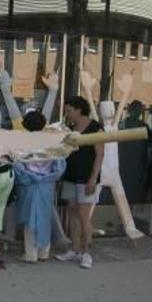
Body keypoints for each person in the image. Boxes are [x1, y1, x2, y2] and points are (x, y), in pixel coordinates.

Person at [56, 96, 104, 269]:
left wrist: (93, 178)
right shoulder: (71, 128)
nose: (67, 114)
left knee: (84, 215)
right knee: (72, 212)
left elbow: (100, 154)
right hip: (71, 175)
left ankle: (87, 252)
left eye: (69, 111)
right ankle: (74, 249)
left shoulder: (95, 128)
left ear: (79, 109)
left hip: (86, 177)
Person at [14, 111, 66, 263]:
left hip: (29, 183)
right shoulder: (51, 142)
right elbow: (59, 163)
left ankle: (31, 254)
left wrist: (29, 176)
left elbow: (17, 164)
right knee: (44, 216)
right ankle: (44, 251)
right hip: (47, 184)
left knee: (30, 218)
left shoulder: (22, 142)